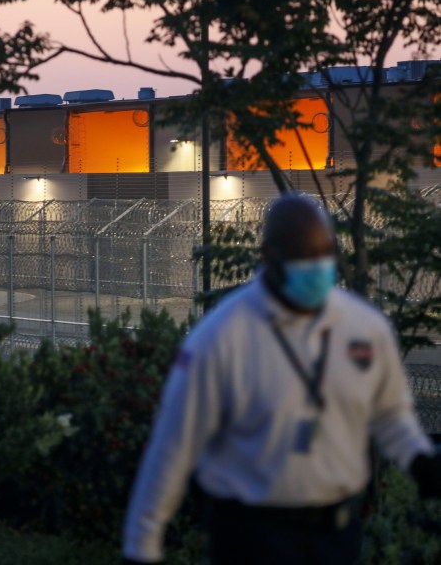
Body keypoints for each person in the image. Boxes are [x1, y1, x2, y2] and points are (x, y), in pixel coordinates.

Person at [122, 194, 441, 564]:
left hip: (336, 537)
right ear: (268, 255)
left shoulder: (364, 328)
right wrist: (142, 544)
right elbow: (175, 442)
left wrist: (419, 460)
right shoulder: (222, 337)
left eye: (324, 255)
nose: (318, 268)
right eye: (304, 257)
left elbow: (390, 415)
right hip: (250, 537)